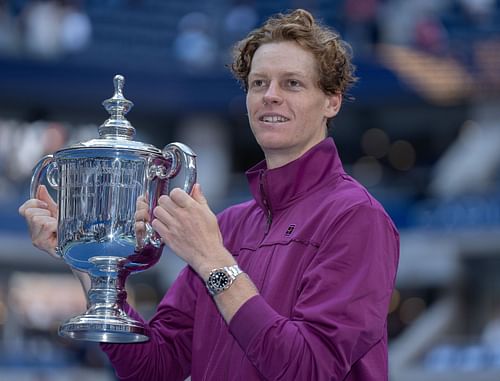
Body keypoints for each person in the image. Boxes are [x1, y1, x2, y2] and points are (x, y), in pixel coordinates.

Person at [19, 8, 399, 381]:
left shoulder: (357, 218)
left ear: (331, 101)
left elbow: (310, 369)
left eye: (292, 83)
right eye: (259, 83)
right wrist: (86, 255)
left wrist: (213, 261)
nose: (271, 96)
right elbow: (154, 366)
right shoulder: (230, 225)